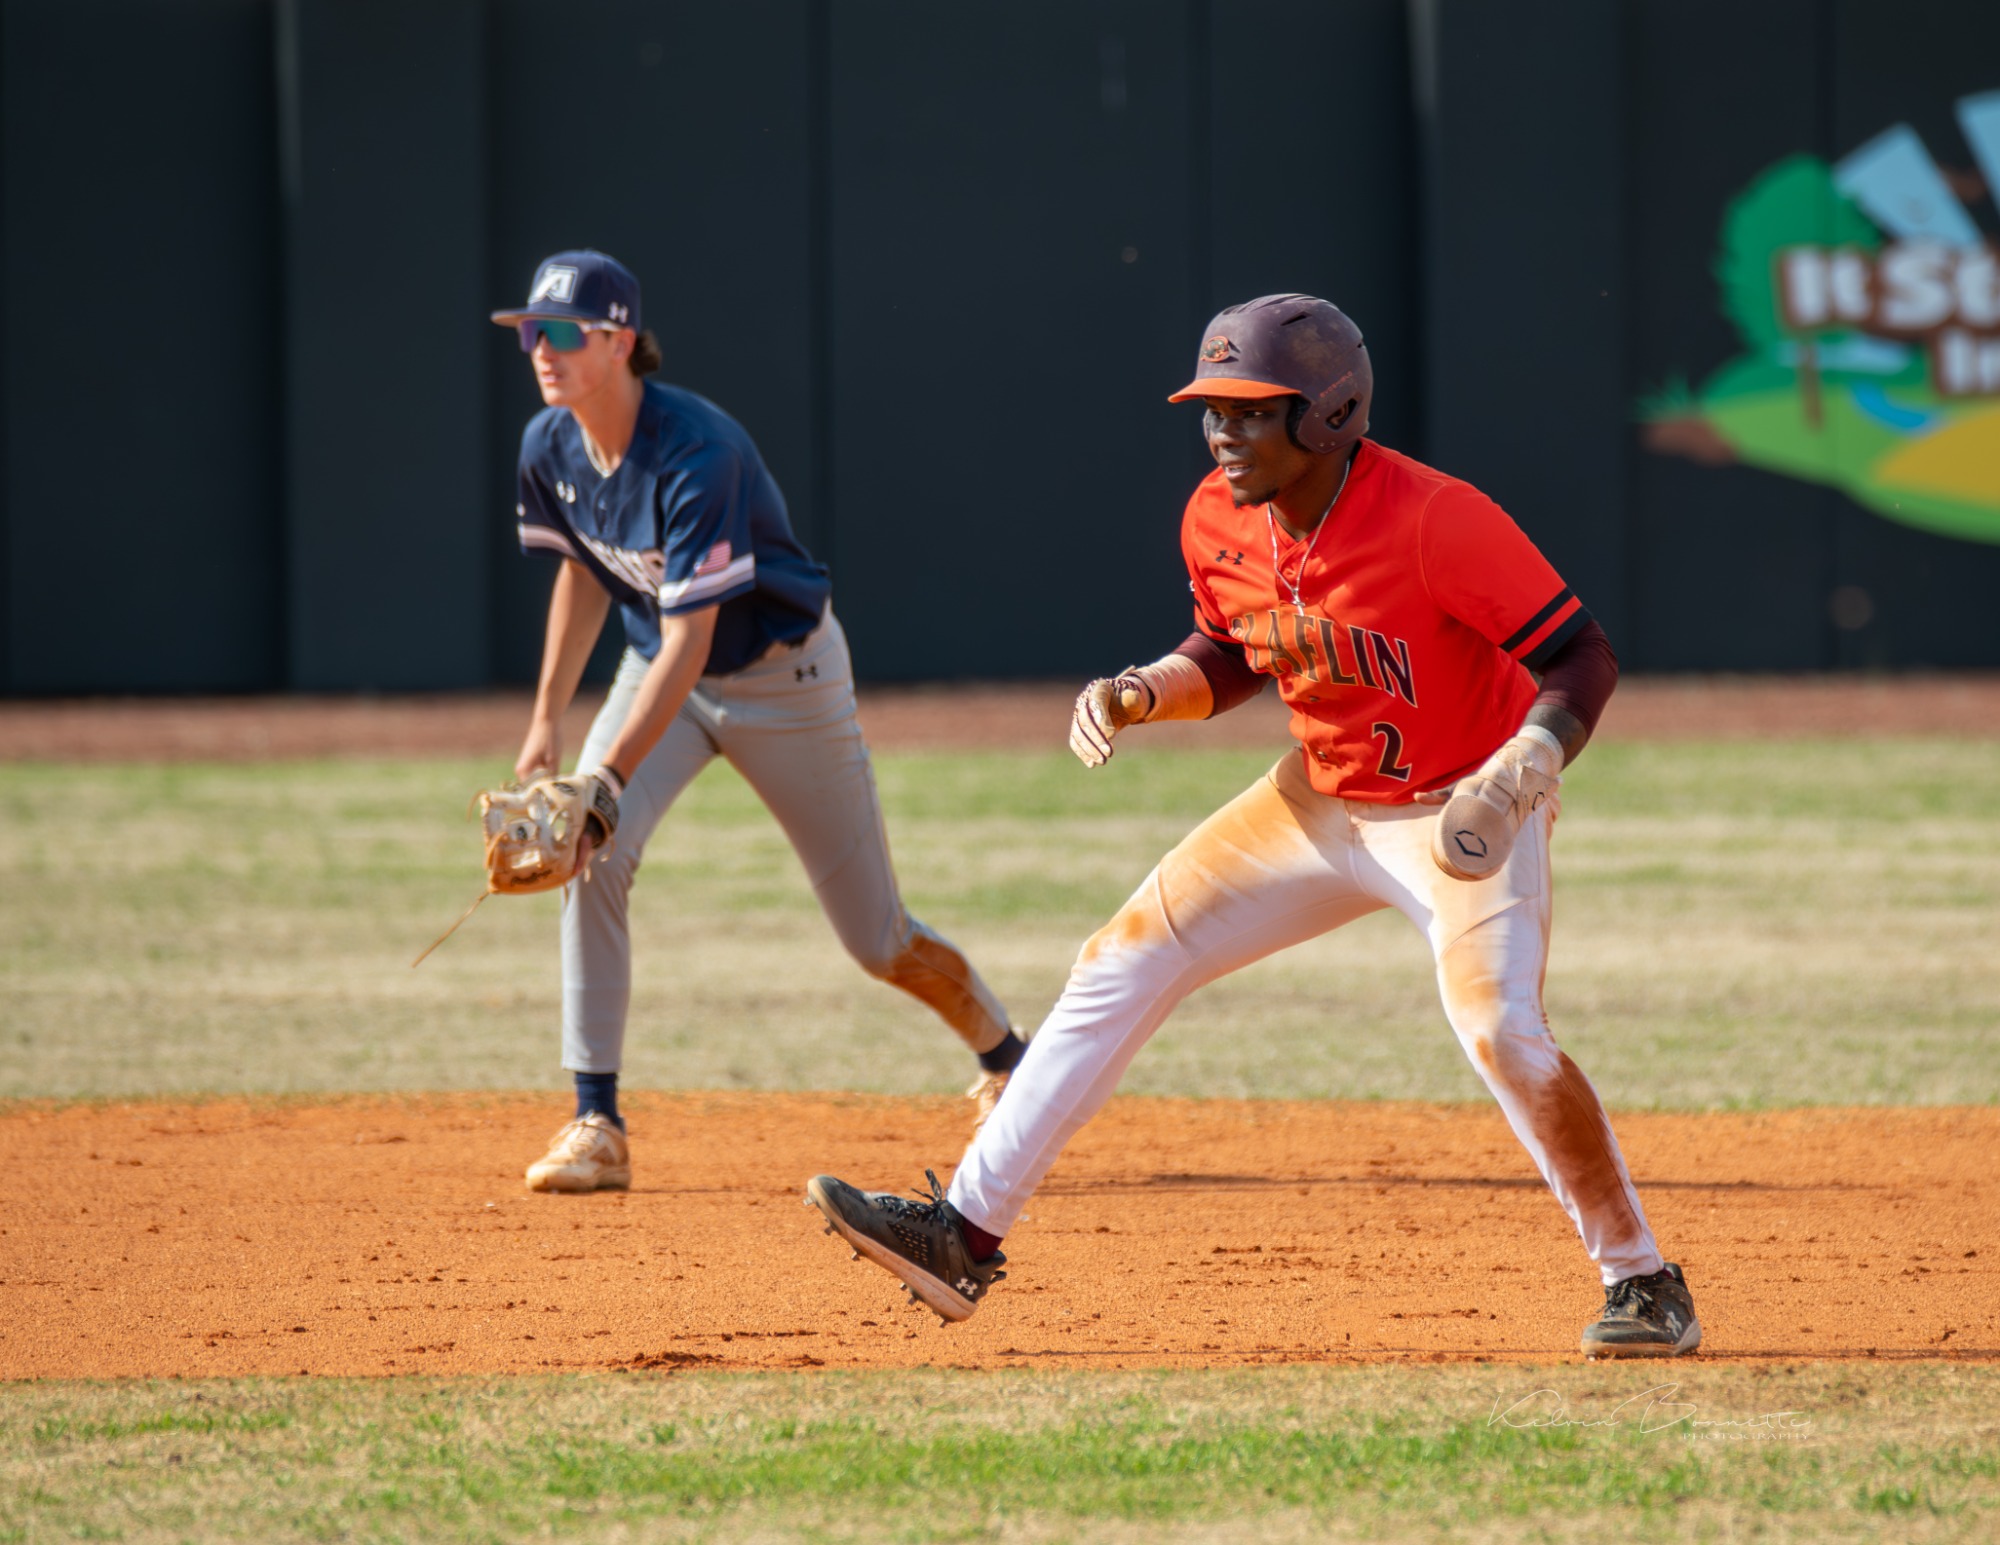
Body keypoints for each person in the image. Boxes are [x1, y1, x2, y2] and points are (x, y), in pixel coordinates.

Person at [804, 294, 1701, 1360]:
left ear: (1329, 414)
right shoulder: (1215, 516)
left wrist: (1528, 762)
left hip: (1462, 814)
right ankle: (961, 1234)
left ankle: (1643, 1280)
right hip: (1316, 802)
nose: (1221, 433)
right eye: (1212, 411)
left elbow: (1579, 654)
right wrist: (1144, 690)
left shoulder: (1435, 518)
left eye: (1249, 411)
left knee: (1498, 1029)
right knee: (1120, 958)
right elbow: (1233, 651)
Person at [490, 250, 1025, 1193]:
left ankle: (1008, 1059)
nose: (542, 348)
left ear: (619, 342)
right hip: (661, 673)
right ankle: (595, 1120)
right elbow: (583, 568)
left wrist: (604, 777)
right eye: (532, 330)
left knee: (877, 939)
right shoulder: (549, 444)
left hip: (787, 680)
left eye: (563, 331)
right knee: (589, 851)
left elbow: (691, 638)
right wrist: (546, 723)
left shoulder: (699, 453)